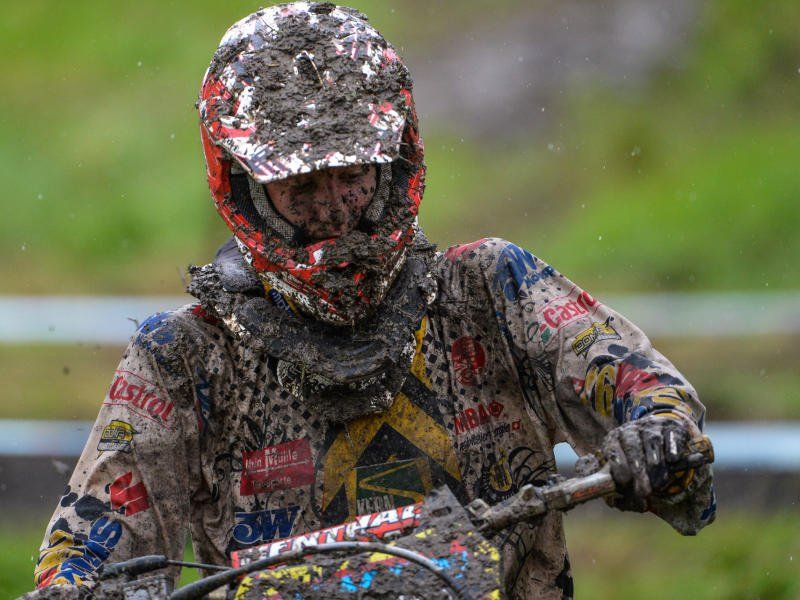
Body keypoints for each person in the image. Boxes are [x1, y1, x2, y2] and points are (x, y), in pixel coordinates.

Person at [31, 3, 715, 598]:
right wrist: (72, 587)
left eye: (352, 174)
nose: (334, 208)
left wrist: (654, 431)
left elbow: (648, 391)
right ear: (244, 187)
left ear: (393, 161)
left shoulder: (489, 289)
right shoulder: (186, 358)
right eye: (301, 186)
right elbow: (87, 544)